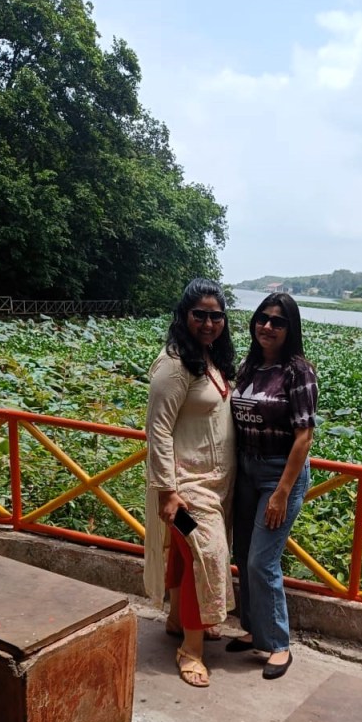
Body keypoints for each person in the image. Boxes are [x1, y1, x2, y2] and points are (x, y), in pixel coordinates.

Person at [144, 278, 236, 687]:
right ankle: (191, 651)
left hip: (214, 487)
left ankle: (177, 620)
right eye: (200, 314)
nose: (209, 322)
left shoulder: (208, 359)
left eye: (217, 315)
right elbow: (158, 430)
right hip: (183, 491)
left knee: (185, 555)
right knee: (208, 556)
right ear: (184, 316)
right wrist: (168, 491)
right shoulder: (174, 364)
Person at [227, 293, 318, 679]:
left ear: (290, 328)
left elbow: (304, 437)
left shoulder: (298, 372)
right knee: (242, 552)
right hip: (246, 468)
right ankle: (254, 630)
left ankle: (279, 643)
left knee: (261, 561)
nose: (267, 326)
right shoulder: (248, 366)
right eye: (262, 318)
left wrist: (281, 492)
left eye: (277, 321)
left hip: (280, 474)